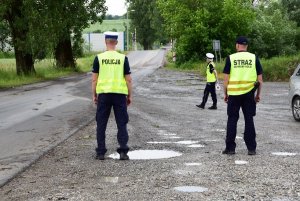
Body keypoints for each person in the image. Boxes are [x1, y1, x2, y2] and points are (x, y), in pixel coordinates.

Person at [91, 31, 133, 160]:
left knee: (101, 123)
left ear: (105, 41)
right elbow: (128, 80)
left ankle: (100, 152)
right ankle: (123, 151)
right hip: (120, 94)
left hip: (103, 94)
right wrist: (129, 95)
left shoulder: (99, 58)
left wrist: (94, 95)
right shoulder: (122, 58)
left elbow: (94, 79)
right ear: (116, 42)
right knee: (121, 123)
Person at [222, 36, 263, 155]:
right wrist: (258, 95)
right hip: (249, 94)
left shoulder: (231, 58)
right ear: (247, 46)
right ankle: (251, 148)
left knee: (232, 120)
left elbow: (225, 80)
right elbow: (260, 80)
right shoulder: (254, 58)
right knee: (249, 119)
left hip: (233, 94)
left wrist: (225, 94)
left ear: (237, 45)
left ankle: (230, 148)